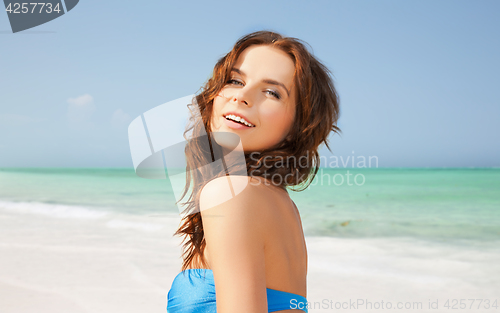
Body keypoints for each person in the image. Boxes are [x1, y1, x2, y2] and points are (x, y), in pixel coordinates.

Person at [167, 30, 340, 313]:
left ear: (299, 124)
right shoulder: (282, 205)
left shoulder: (230, 194)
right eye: (235, 80)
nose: (242, 96)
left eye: (272, 92)